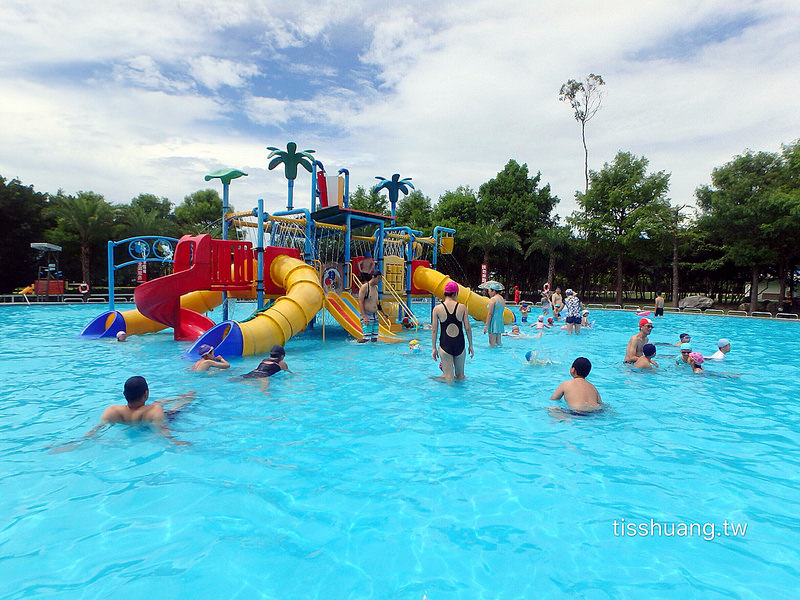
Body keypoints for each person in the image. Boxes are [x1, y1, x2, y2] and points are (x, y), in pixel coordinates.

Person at [90, 376, 194, 444]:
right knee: (174, 409)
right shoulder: (154, 410)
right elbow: (162, 431)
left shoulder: (112, 411)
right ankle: (186, 398)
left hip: (134, 424)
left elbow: (98, 429)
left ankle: (182, 397)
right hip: (149, 422)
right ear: (146, 394)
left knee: (158, 403)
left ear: (124, 394)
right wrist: (175, 441)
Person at [431, 281, 474, 382]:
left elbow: (434, 330)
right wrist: (471, 345)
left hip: (445, 344)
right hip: (459, 344)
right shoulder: (462, 307)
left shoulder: (437, 309)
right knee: (461, 376)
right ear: (455, 293)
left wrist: (433, 348)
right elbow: (467, 328)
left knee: (448, 378)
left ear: (445, 293)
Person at [358, 269, 382, 343]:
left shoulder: (376, 288)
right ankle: (358, 347)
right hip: (367, 315)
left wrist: (383, 312)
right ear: (373, 277)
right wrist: (364, 316)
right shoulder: (365, 287)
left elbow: (375, 302)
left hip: (375, 315)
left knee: (374, 338)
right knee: (366, 338)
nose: (379, 280)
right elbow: (360, 302)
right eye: (378, 278)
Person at [484, 283, 506, 347]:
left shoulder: (493, 300)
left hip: (493, 322)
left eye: (489, 291)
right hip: (499, 322)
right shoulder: (501, 299)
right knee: (499, 343)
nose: (489, 293)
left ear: (493, 291)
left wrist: (486, 326)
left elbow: (490, 314)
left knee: (492, 344)